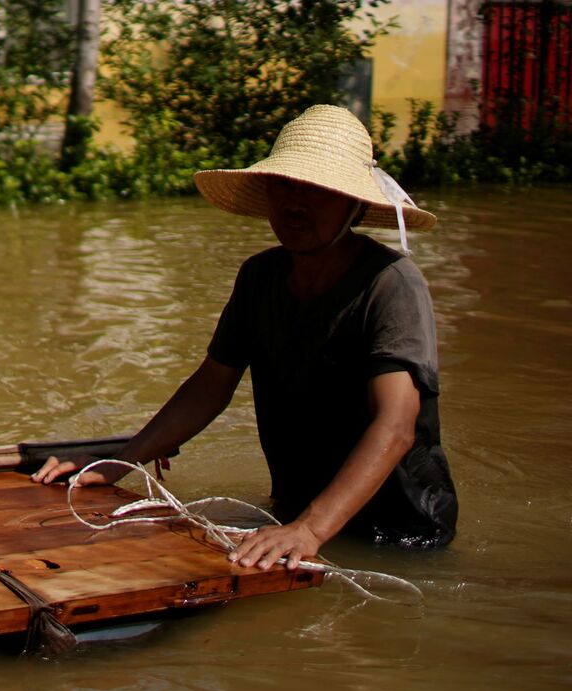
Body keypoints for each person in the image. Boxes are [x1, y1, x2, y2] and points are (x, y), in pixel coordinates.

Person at [32, 104, 458, 568]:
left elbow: (395, 426)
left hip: (400, 529)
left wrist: (312, 528)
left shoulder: (391, 283)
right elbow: (209, 387)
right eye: (284, 185)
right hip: (297, 511)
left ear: (354, 203)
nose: (296, 202)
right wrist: (120, 464)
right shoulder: (260, 276)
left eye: (317, 190)